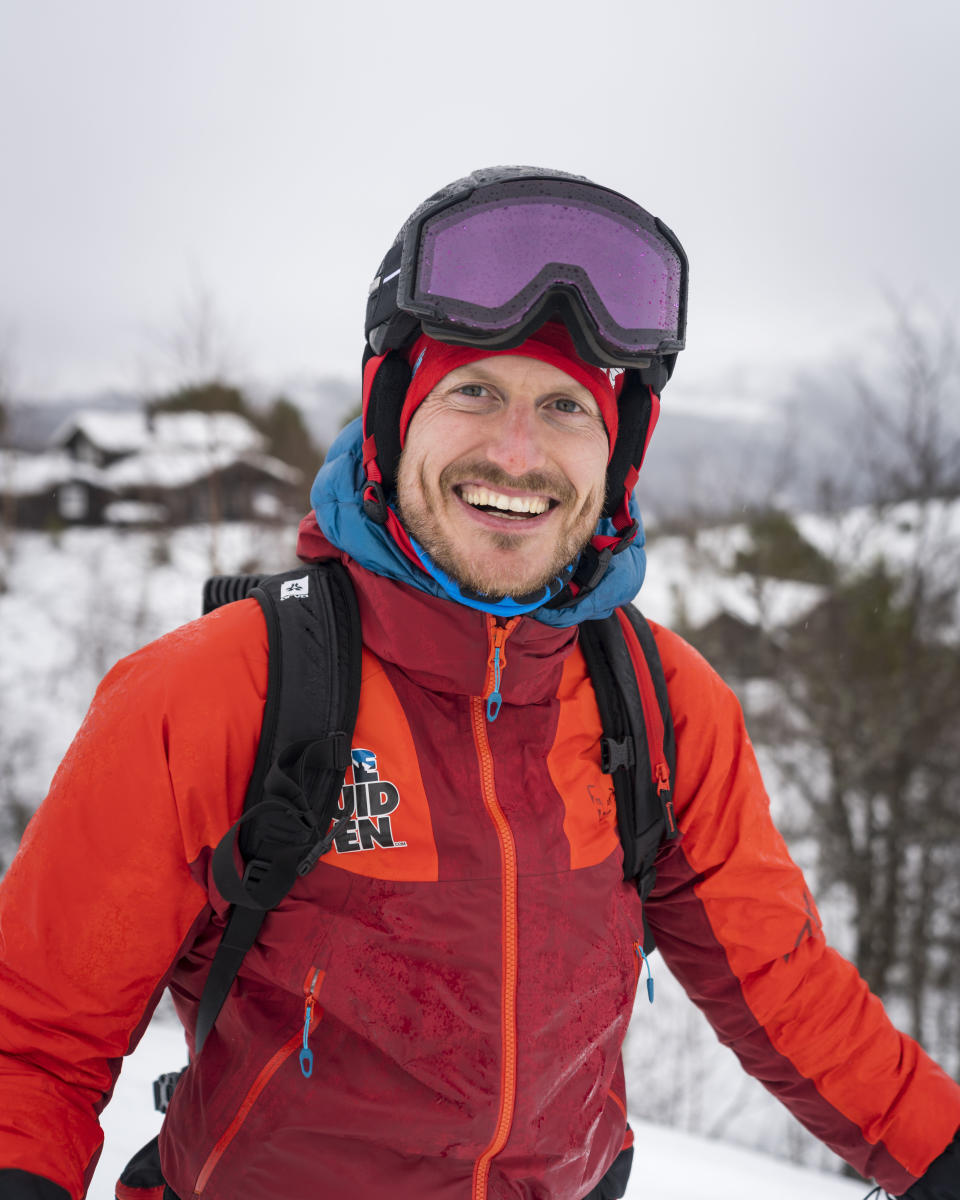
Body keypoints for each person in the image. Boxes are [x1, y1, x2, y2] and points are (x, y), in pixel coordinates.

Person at [0, 166, 958, 1200]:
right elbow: (34, 1044)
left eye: (564, 407)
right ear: (391, 414)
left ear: (618, 456)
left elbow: (787, 989)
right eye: (475, 392)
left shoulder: (664, 705)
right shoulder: (217, 692)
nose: (518, 450)